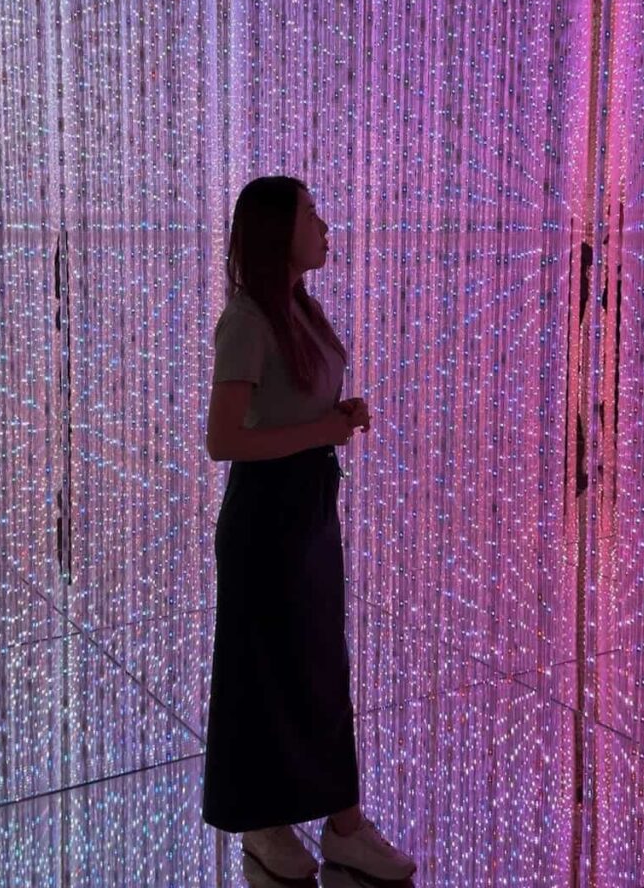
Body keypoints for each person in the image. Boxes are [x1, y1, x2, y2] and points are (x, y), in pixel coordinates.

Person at [202, 175, 417, 882]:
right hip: (266, 519)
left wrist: (335, 416)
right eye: (312, 215)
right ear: (278, 233)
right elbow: (224, 439)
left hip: (308, 512)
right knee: (268, 673)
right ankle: (267, 823)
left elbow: (295, 411)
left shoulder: (301, 309)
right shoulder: (248, 320)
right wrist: (322, 428)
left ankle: (342, 821)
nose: (326, 226)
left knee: (320, 668)